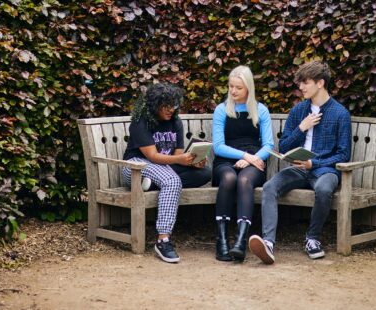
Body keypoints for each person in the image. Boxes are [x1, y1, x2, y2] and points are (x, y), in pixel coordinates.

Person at [249, 60, 351, 264]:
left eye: (305, 82)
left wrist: (315, 164)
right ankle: (268, 243)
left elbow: (343, 154)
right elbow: (285, 146)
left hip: (324, 171)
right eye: (300, 83)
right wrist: (302, 128)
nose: (301, 87)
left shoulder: (340, 114)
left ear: (320, 83)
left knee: (323, 189)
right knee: (269, 187)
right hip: (297, 169)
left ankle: (312, 239)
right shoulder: (298, 111)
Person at [121, 83, 212, 263]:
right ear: (155, 105)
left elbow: (177, 156)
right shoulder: (141, 122)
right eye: (166, 105)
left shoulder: (175, 122)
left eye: (174, 105)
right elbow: (153, 156)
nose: (171, 109)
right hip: (136, 167)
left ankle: (152, 184)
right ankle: (163, 240)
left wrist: (193, 162)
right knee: (172, 181)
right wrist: (180, 160)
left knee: (205, 174)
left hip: (162, 168)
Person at [211, 65, 274, 262]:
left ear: (248, 88)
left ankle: (240, 240)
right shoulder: (222, 110)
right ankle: (221, 240)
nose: (233, 91)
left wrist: (252, 160)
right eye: (231, 86)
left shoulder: (260, 110)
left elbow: (269, 145)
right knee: (229, 178)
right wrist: (245, 156)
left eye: (238, 87)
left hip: (254, 162)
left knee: (245, 181)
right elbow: (218, 146)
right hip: (226, 161)